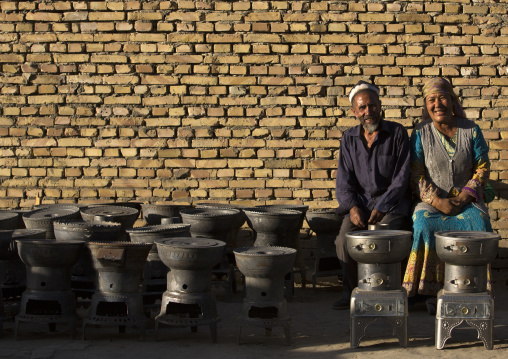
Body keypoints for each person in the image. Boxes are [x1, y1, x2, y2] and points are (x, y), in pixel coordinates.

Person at [402, 77, 493, 314]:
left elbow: (482, 167)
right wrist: (436, 201)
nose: (437, 104)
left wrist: (465, 197)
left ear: (452, 101)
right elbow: (416, 173)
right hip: (432, 201)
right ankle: (429, 293)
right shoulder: (421, 133)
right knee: (423, 223)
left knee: (479, 223)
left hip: (467, 200)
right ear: (426, 105)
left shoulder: (471, 130)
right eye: (431, 100)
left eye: (442, 98)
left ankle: (472, 287)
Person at [333, 81, 411, 310]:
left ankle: (390, 292)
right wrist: (352, 207)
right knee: (343, 241)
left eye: (372, 106)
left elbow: (402, 178)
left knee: (385, 237)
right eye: (362, 108)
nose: (368, 112)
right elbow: (343, 180)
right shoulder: (349, 139)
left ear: (380, 106)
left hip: (392, 205)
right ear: (354, 112)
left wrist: (384, 205)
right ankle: (350, 292)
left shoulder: (397, 133)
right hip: (362, 205)